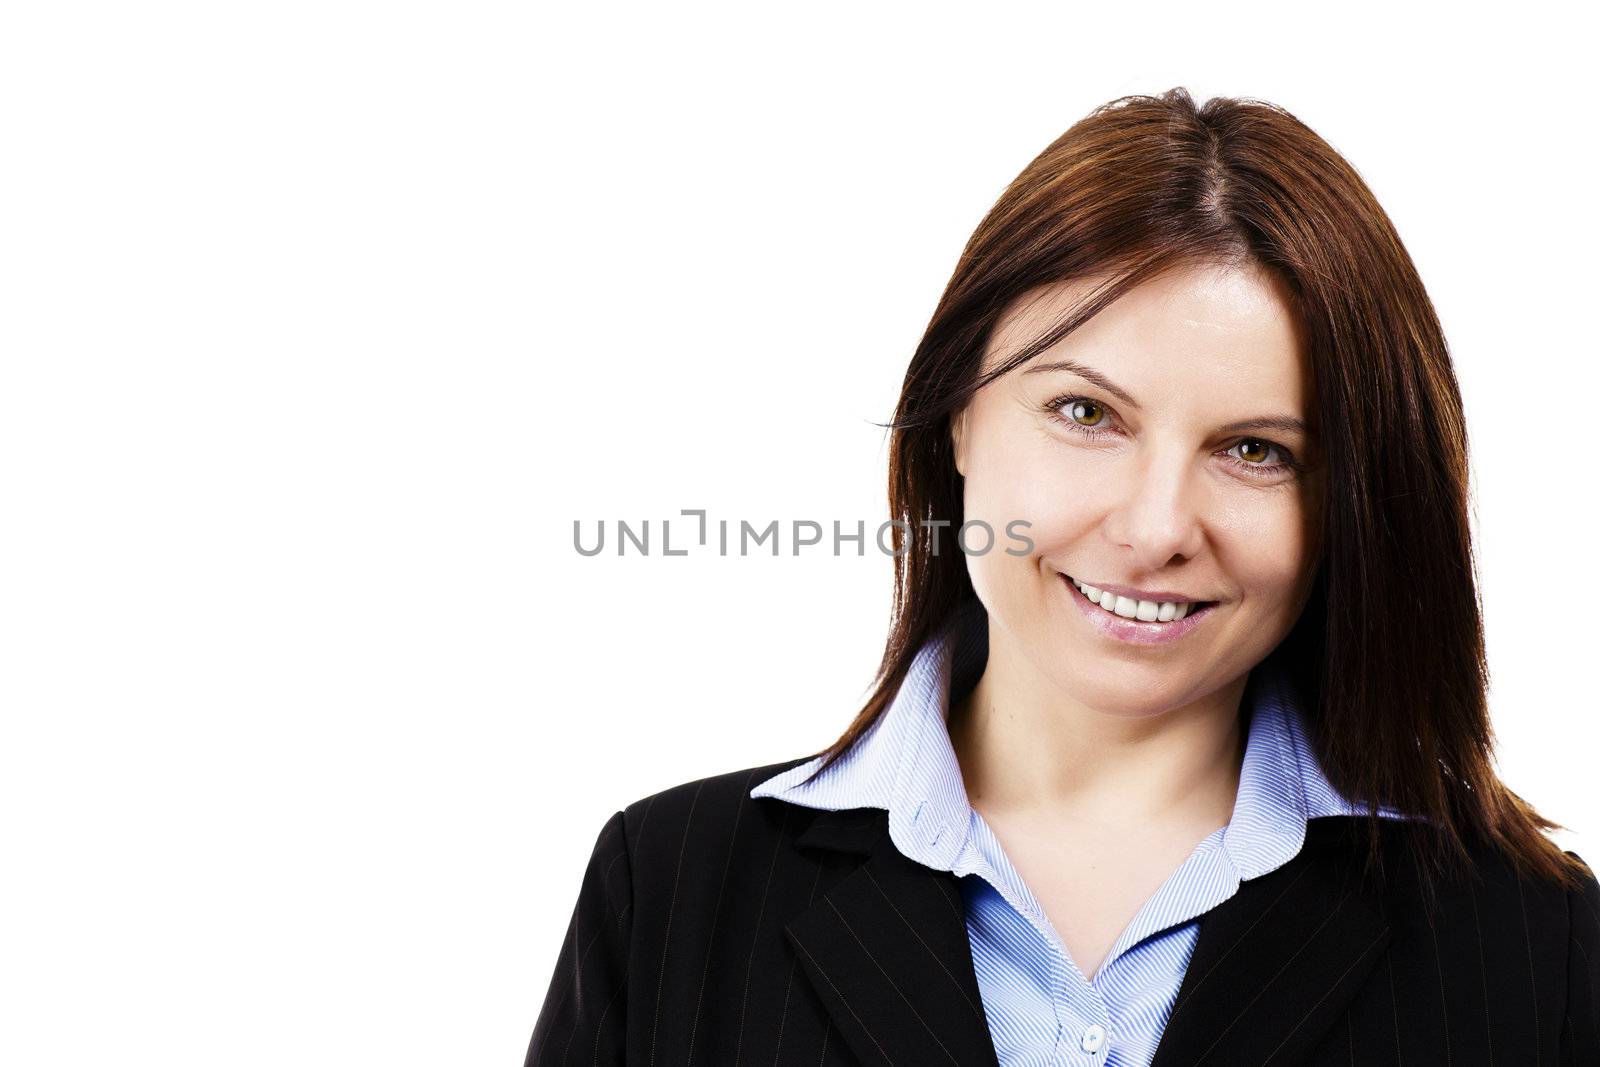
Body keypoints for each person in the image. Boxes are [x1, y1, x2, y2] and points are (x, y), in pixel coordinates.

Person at [525, 87, 1600, 1066]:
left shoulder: (1529, 941)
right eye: (1085, 413)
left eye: (1256, 449)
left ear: (1353, 508)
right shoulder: (671, 889)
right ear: (955, 415)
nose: (1154, 526)